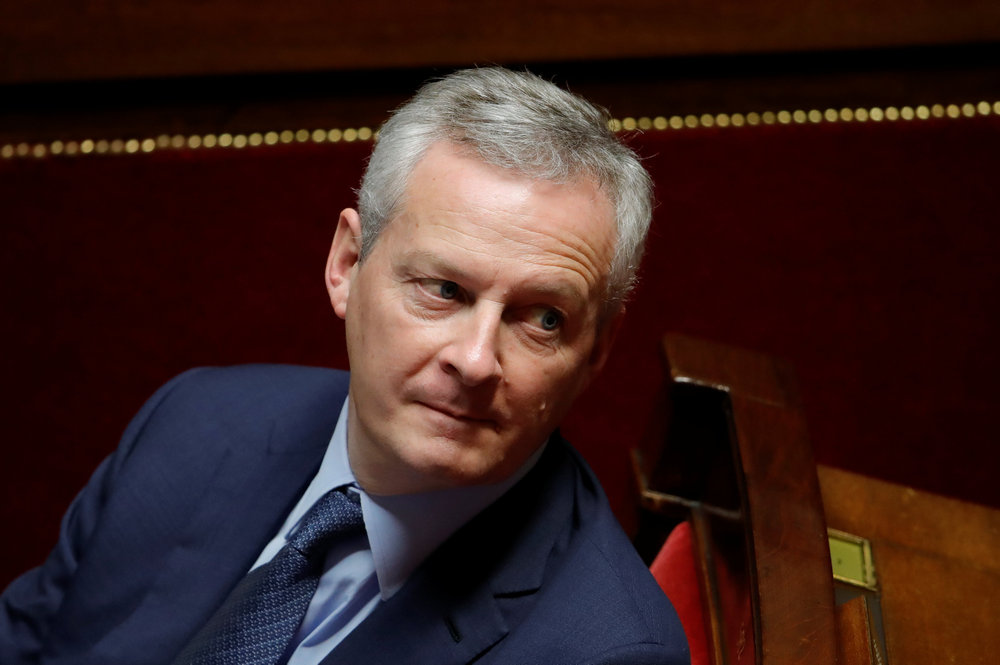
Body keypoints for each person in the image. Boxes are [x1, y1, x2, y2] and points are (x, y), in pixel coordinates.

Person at [0, 67, 688, 664]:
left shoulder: (607, 648)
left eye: (542, 318)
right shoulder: (193, 420)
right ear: (347, 266)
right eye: (444, 290)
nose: (476, 360)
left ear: (597, 349)